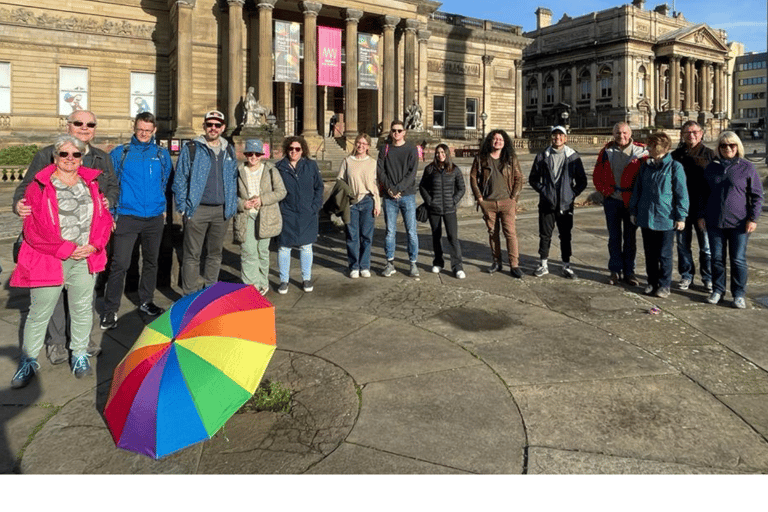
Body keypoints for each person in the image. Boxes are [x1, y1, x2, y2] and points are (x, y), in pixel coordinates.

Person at [13, 109, 118, 364]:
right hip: (52, 242)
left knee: (85, 293)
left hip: (87, 240)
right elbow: (26, 187)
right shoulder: (47, 153)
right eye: (79, 123)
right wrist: (19, 204)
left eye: (90, 124)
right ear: (68, 125)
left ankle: (82, 340)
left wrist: (108, 202)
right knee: (52, 294)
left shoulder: (101, 158)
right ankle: (57, 342)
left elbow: (113, 186)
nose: (85, 127)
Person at [100, 112, 173, 330]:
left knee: (151, 261)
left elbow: (165, 182)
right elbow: (110, 185)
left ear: (154, 131)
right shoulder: (120, 153)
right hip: (127, 215)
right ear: (134, 127)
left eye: (148, 130)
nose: (143, 133)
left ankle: (145, 301)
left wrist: (164, 209)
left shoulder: (161, 154)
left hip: (154, 217)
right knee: (120, 264)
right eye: (140, 129)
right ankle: (110, 310)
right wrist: (112, 213)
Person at [173, 110, 238, 295]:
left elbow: (233, 178)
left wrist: (231, 206)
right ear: (204, 126)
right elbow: (180, 180)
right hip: (197, 210)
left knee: (215, 255)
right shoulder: (192, 148)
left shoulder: (229, 150)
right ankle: (190, 296)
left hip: (221, 211)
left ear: (223, 128)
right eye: (210, 124)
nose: (213, 128)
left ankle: (209, 294)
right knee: (192, 255)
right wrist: (184, 208)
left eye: (217, 125)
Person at [699, 131, 764, 308]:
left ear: (738, 146)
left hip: (739, 223)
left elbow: (757, 196)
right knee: (717, 259)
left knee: (738, 259)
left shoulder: (747, 167)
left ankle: (738, 294)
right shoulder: (711, 167)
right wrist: (701, 216)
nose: (728, 148)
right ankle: (718, 290)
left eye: (731, 145)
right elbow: (703, 195)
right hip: (714, 222)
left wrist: (753, 218)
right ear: (718, 148)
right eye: (723, 145)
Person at [629, 132, 688, 298]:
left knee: (664, 254)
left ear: (663, 147)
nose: (648, 148)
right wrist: (633, 211)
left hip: (666, 218)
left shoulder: (675, 167)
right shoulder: (645, 166)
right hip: (646, 216)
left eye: (652, 145)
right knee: (650, 254)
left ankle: (664, 285)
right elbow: (637, 191)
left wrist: (681, 216)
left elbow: (681, 193)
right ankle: (651, 282)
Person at [593, 122, 647, 286]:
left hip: (631, 201)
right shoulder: (606, 152)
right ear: (613, 134)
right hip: (612, 201)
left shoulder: (641, 151)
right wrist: (606, 192)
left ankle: (629, 272)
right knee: (614, 238)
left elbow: (646, 177)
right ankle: (615, 270)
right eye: (617, 133)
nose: (621, 136)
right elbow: (597, 176)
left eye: (624, 133)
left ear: (630, 134)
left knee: (630, 238)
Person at [529, 126, 587, 279]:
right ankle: (543, 264)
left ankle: (566, 266)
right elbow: (533, 179)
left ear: (566, 138)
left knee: (566, 235)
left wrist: (571, 194)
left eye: (561, 135)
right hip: (547, 203)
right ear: (551, 138)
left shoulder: (573, 156)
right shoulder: (542, 156)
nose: (557, 138)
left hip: (565, 204)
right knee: (545, 235)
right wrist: (544, 190)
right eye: (555, 135)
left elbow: (582, 181)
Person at [469, 129, 524, 278]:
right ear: (490, 141)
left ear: (505, 142)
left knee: (510, 234)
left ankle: (514, 265)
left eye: (500, 139)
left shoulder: (510, 158)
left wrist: (514, 199)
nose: (497, 142)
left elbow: (519, 178)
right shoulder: (482, 158)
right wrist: (480, 199)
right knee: (493, 234)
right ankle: (496, 262)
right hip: (489, 203)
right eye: (495, 139)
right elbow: (473, 178)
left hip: (507, 203)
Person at [235, 139, 286, 295]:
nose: (253, 157)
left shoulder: (270, 170)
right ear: (246, 155)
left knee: (263, 252)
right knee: (248, 251)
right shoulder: (238, 171)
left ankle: (263, 282)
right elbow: (231, 195)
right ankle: (251, 286)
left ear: (262, 155)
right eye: (250, 153)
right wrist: (242, 203)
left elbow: (281, 191)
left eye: (257, 154)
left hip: (266, 216)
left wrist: (262, 200)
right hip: (246, 216)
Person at [275, 136, 324, 294]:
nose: (293, 152)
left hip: (307, 212)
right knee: (284, 247)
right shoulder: (279, 167)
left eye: (297, 149)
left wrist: (315, 206)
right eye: (291, 149)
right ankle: (284, 280)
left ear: (303, 150)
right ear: (286, 150)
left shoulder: (310, 165)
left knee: (306, 246)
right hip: (287, 212)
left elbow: (319, 187)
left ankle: (306, 278)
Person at [671, 120, 716, 292]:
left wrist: (708, 211)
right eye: (687, 132)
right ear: (682, 135)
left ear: (701, 133)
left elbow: (715, 185)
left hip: (702, 210)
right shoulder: (675, 155)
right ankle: (686, 275)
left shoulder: (710, 154)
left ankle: (708, 277)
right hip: (681, 209)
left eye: (695, 132)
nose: (691, 135)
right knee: (683, 245)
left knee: (706, 247)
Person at [377, 120, 420, 278]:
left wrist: (398, 189)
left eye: (399, 130)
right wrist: (390, 188)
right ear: (390, 132)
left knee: (411, 232)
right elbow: (381, 171)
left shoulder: (411, 149)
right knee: (390, 232)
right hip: (389, 197)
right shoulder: (385, 148)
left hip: (407, 195)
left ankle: (413, 263)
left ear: (404, 132)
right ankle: (390, 263)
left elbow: (412, 173)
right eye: (394, 130)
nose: (396, 133)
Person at [419, 143, 466, 279]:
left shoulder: (454, 170)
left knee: (453, 237)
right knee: (436, 236)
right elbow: (422, 187)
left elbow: (461, 188)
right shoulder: (429, 169)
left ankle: (457, 266)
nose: (440, 155)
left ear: (447, 154)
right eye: (438, 153)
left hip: (450, 209)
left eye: (443, 153)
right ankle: (438, 262)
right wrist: (429, 201)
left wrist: (453, 200)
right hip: (434, 209)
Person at [337, 133, 381, 278]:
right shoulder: (347, 161)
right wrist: (347, 194)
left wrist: (377, 204)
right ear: (355, 144)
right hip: (352, 202)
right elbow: (340, 181)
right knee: (352, 236)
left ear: (368, 146)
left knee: (366, 236)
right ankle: (354, 266)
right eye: (359, 143)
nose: (361, 146)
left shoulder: (373, 162)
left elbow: (375, 186)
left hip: (368, 200)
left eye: (364, 144)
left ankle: (364, 265)